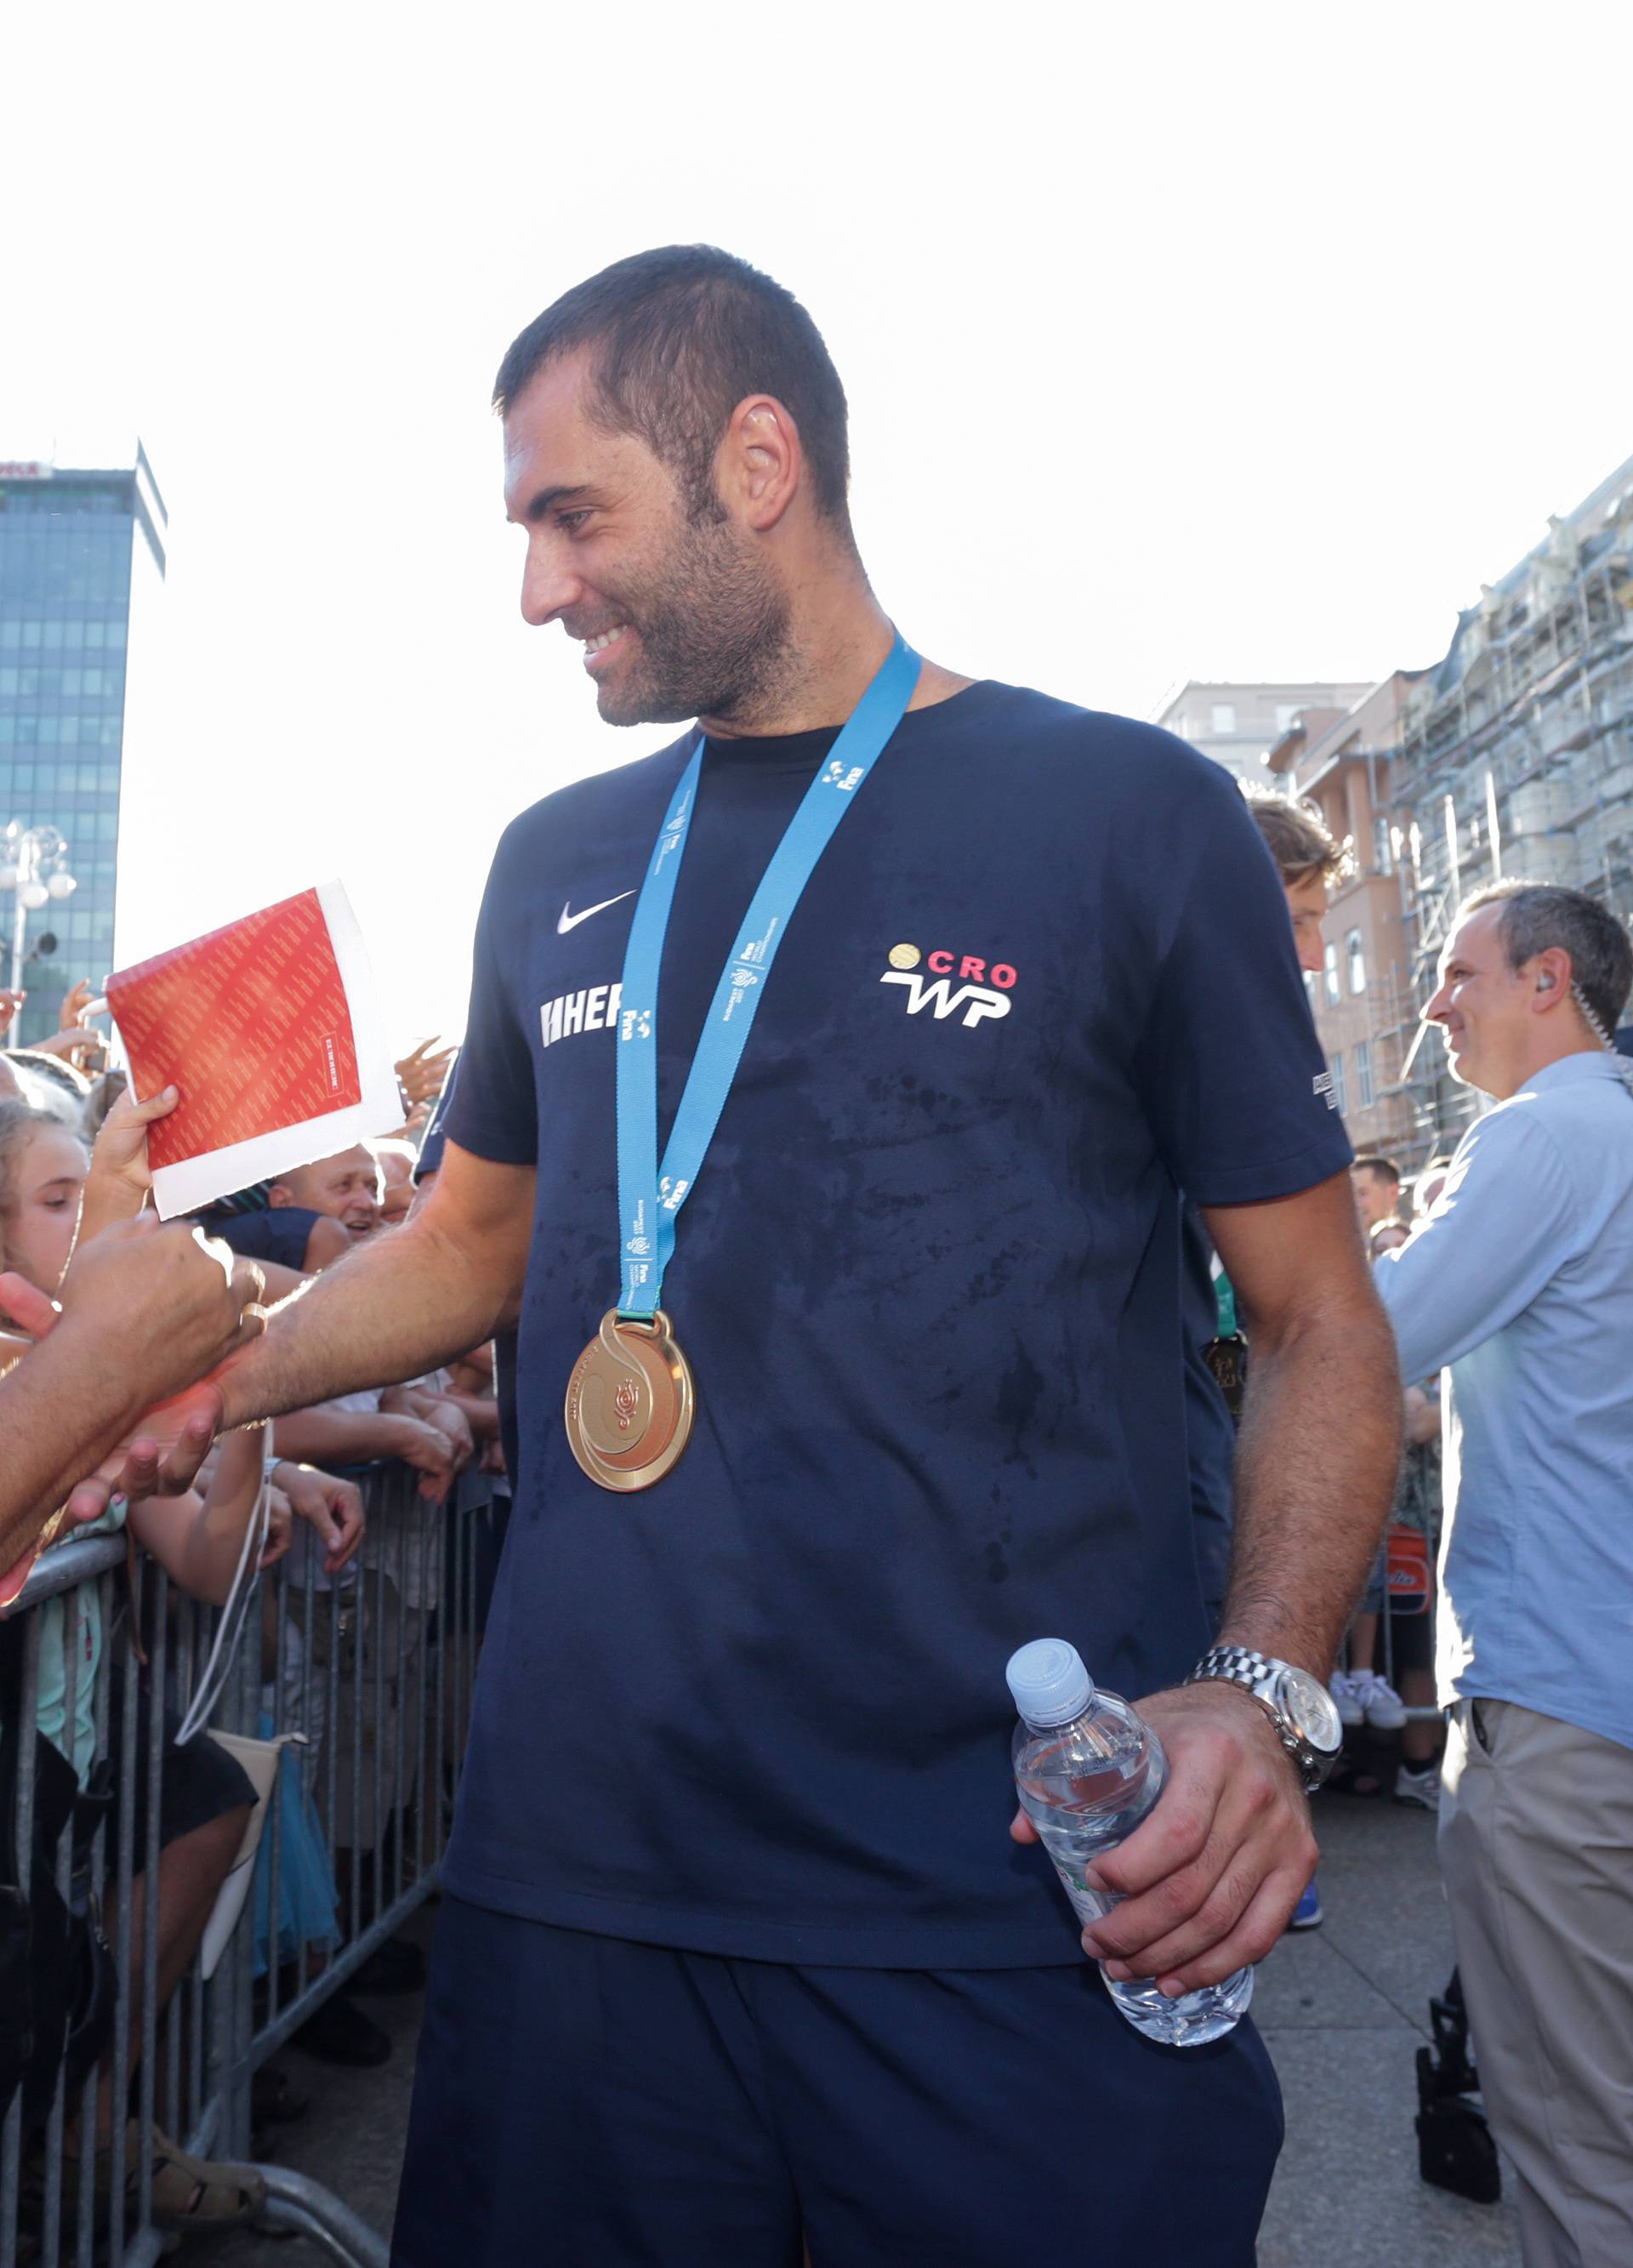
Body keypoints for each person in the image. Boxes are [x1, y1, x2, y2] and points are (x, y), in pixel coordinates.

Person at [126, 247, 1400, 2267]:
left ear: (757, 456)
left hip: (1008, 1899)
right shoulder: (554, 857)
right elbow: (473, 1237)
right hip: (578, 1903)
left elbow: (1329, 1320)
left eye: (573, 512)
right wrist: (218, 1375)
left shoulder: (1124, 817)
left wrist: (1256, 1694)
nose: (537, 585)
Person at [1374, 879, 1633, 2268]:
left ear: (1549, 980)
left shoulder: (1542, 1135)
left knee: (1579, 2136)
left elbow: (1376, 1342)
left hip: (1564, 1715)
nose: (1433, 1004)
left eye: (1458, 972)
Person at [1350, 1153, 1402, 1234]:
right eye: (1352, 1196)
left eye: (1363, 1193)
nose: (1355, 1203)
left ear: (1393, 1193)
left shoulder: (1419, 1243)